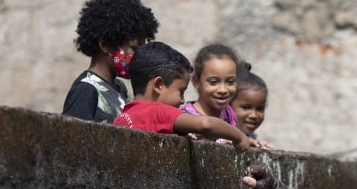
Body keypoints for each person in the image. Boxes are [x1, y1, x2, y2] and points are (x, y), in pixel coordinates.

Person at [112, 42, 261, 152]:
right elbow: (206, 124)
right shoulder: (157, 111)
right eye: (181, 91)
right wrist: (240, 137)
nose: (182, 100)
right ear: (158, 85)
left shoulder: (124, 116)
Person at [62, 0, 159, 123]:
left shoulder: (119, 88)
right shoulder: (86, 90)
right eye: (134, 48)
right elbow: (71, 139)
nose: (139, 56)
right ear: (105, 45)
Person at [181, 43, 240, 139]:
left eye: (230, 82)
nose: (223, 90)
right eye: (213, 82)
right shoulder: (186, 118)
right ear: (197, 82)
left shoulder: (228, 113)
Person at [232, 63, 269, 142]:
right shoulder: (216, 137)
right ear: (228, 106)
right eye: (246, 107)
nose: (254, 115)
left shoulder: (253, 139)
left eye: (260, 109)